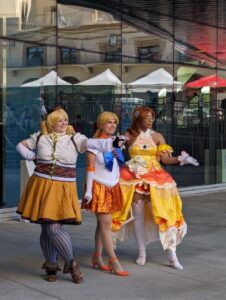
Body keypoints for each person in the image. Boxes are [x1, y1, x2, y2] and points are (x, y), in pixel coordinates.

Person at [16, 107, 125, 284]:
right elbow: (20, 146)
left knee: (53, 228)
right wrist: (32, 157)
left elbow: (94, 143)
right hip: (41, 184)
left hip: (62, 187)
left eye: (65, 120)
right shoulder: (40, 137)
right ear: (51, 122)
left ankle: (71, 263)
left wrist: (112, 143)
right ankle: (51, 264)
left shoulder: (75, 139)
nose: (64, 123)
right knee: (45, 227)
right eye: (60, 120)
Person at [112, 106, 199, 270]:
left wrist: (181, 159)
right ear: (139, 118)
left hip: (156, 178)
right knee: (137, 216)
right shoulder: (129, 135)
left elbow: (165, 160)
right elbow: (114, 150)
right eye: (147, 117)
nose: (150, 120)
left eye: (152, 117)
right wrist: (115, 143)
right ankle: (142, 252)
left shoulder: (157, 136)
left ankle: (172, 255)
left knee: (166, 214)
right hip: (135, 178)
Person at [82, 111, 129, 276]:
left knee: (102, 225)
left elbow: (118, 164)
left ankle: (96, 256)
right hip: (98, 187)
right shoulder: (93, 144)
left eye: (114, 122)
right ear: (101, 124)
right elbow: (90, 169)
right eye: (109, 122)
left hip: (113, 186)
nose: (112, 125)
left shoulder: (115, 142)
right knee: (107, 225)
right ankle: (113, 260)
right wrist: (88, 192)